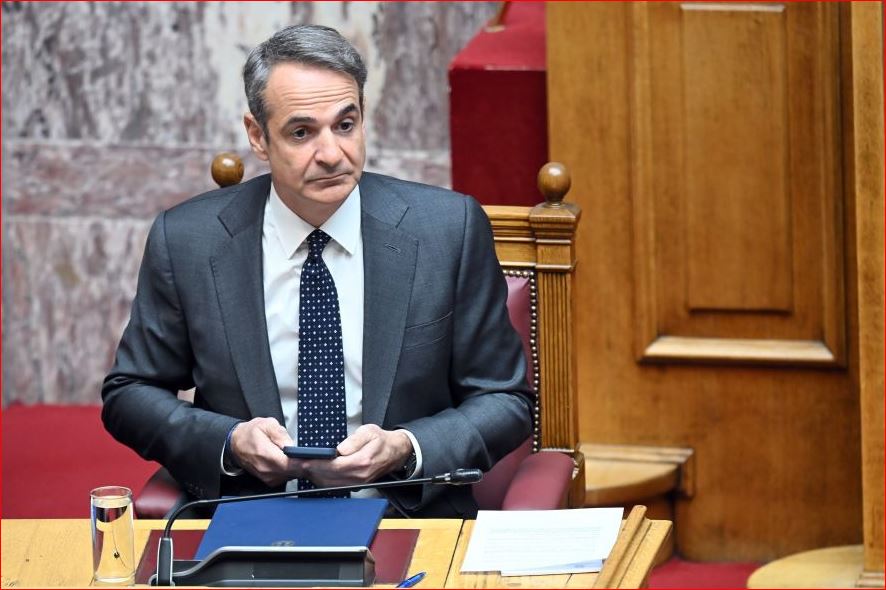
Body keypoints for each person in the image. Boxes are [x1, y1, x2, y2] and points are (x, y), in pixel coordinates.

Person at [101, 24, 532, 518]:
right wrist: (229, 442)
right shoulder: (189, 241)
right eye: (302, 133)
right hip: (250, 518)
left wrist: (406, 447)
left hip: (405, 517)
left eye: (345, 125)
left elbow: (506, 400)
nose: (331, 155)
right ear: (258, 136)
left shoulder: (447, 231)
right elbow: (129, 394)